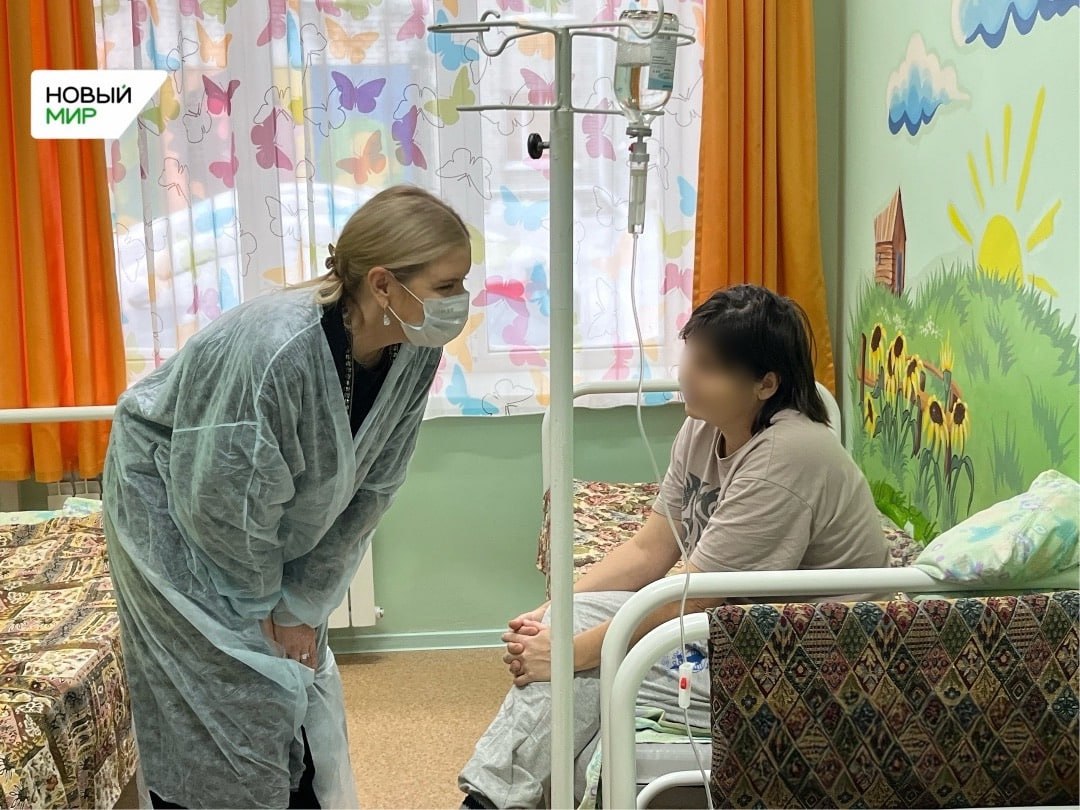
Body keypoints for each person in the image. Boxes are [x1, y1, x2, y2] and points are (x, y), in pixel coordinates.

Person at [103, 185, 472, 809]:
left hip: (237, 506)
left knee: (293, 674)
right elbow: (224, 506)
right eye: (447, 285)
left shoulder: (415, 348)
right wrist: (260, 605)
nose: (461, 301)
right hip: (170, 504)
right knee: (227, 693)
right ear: (383, 284)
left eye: (463, 282)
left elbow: (374, 484)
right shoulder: (276, 350)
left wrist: (301, 603)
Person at [458, 284, 890, 809]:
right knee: (573, 630)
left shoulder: (788, 455)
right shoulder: (702, 428)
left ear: (766, 383)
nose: (686, 375)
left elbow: (695, 594)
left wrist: (570, 652)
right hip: (740, 626)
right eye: (690, 356)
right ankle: (501, 798)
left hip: (808, 657)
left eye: (708, 367)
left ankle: (493, 800)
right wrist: (555, 608)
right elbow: (650, 549)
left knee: (592, 662)